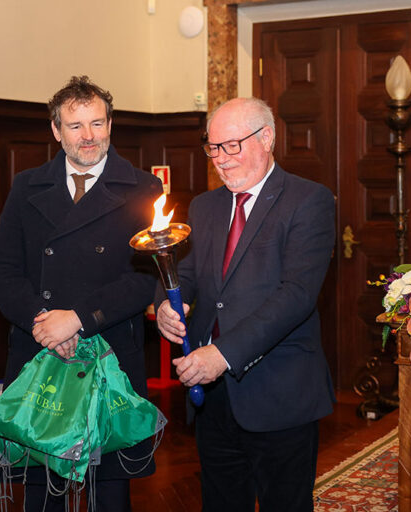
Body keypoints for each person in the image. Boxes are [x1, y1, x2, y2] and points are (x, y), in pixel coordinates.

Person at [0, 76, 163, 511]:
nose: (88, 136)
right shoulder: (27, 187)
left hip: (110, 354)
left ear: (110, 124)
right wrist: (46, 324)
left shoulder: (143, 189)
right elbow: (0, 269)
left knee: (110, 491)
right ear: (56, 130)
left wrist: (78, 318)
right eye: (76, 125)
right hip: (40, 353)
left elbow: (144, 279)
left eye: (97, 123)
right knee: (43, 491)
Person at [155, 97, 335, 511]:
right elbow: (186, 273)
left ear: (267, 137)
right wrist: (167, 305)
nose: (221, 159)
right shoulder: (204, 206)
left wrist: (224, 353)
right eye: (214, 148)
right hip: (212, 395)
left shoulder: (308, 201)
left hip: (279, 392)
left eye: (232, 146)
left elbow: (296, 295)